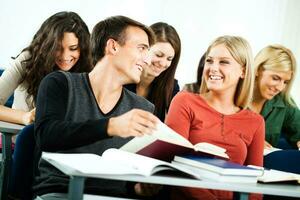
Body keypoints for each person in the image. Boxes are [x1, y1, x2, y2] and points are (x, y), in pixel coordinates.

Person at [33, 15, 160, 199]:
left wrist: (139, 188)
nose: (147, 60)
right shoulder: (59, 83)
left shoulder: (143, 108)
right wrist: (110, 126)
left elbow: (132, 179)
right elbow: (47, 135)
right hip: (61, 192)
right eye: (141, 48)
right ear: (113, 46)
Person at [3, 11, 92, 200]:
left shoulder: (88, 70)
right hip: (25, 145)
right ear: (47, 45)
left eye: (73, 48)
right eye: (58, 48)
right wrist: (24, 117)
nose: (65, 56)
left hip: (65, 148)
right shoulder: (28, 59)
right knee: (30, 137)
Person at [165, 35, 265, 200]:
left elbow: (255, 184)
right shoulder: (185, 101)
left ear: (244, 71)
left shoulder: (255, 122)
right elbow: (173, 163)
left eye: (224, 62)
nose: (213, 68)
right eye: (209, 61)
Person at [251, 44, 300, 175]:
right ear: (258, 70)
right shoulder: (233, 95)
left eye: (285, 82)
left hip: (266, 170)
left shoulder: (283, 101)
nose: (280, 87)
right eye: (276, 78)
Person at [125, 22, 181, 122]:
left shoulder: (171, 87)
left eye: (169, 59)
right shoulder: (123, 78)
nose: (163, 63)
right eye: (159, 55)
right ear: (144, 49)